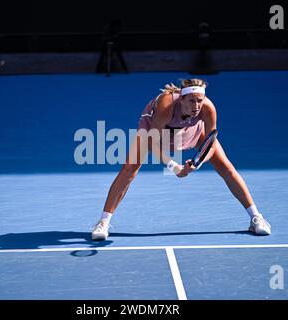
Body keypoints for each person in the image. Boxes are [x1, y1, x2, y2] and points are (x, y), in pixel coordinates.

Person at [92, 78, 271, 240]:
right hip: (155, 132)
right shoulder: (166, 106)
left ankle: (256, 217)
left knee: (226, 167)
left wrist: (196, 164)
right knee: (129, 169)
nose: (196, 105)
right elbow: (152, 143)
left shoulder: (208, 109)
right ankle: (103, 222)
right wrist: (173, 166)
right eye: (191, 101)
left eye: (199, 100)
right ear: (181, 99)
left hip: (191, 131)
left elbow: (210, 143)